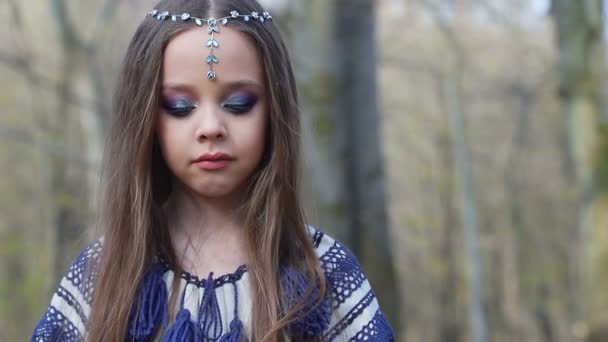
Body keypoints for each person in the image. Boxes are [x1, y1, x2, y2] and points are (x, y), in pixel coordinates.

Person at [31, 0, 395, 340]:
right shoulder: (102, 274)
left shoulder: (323, 272)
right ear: (146, 117)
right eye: (179, 105)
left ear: (274, 110)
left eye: (238, 103)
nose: (210, 127)